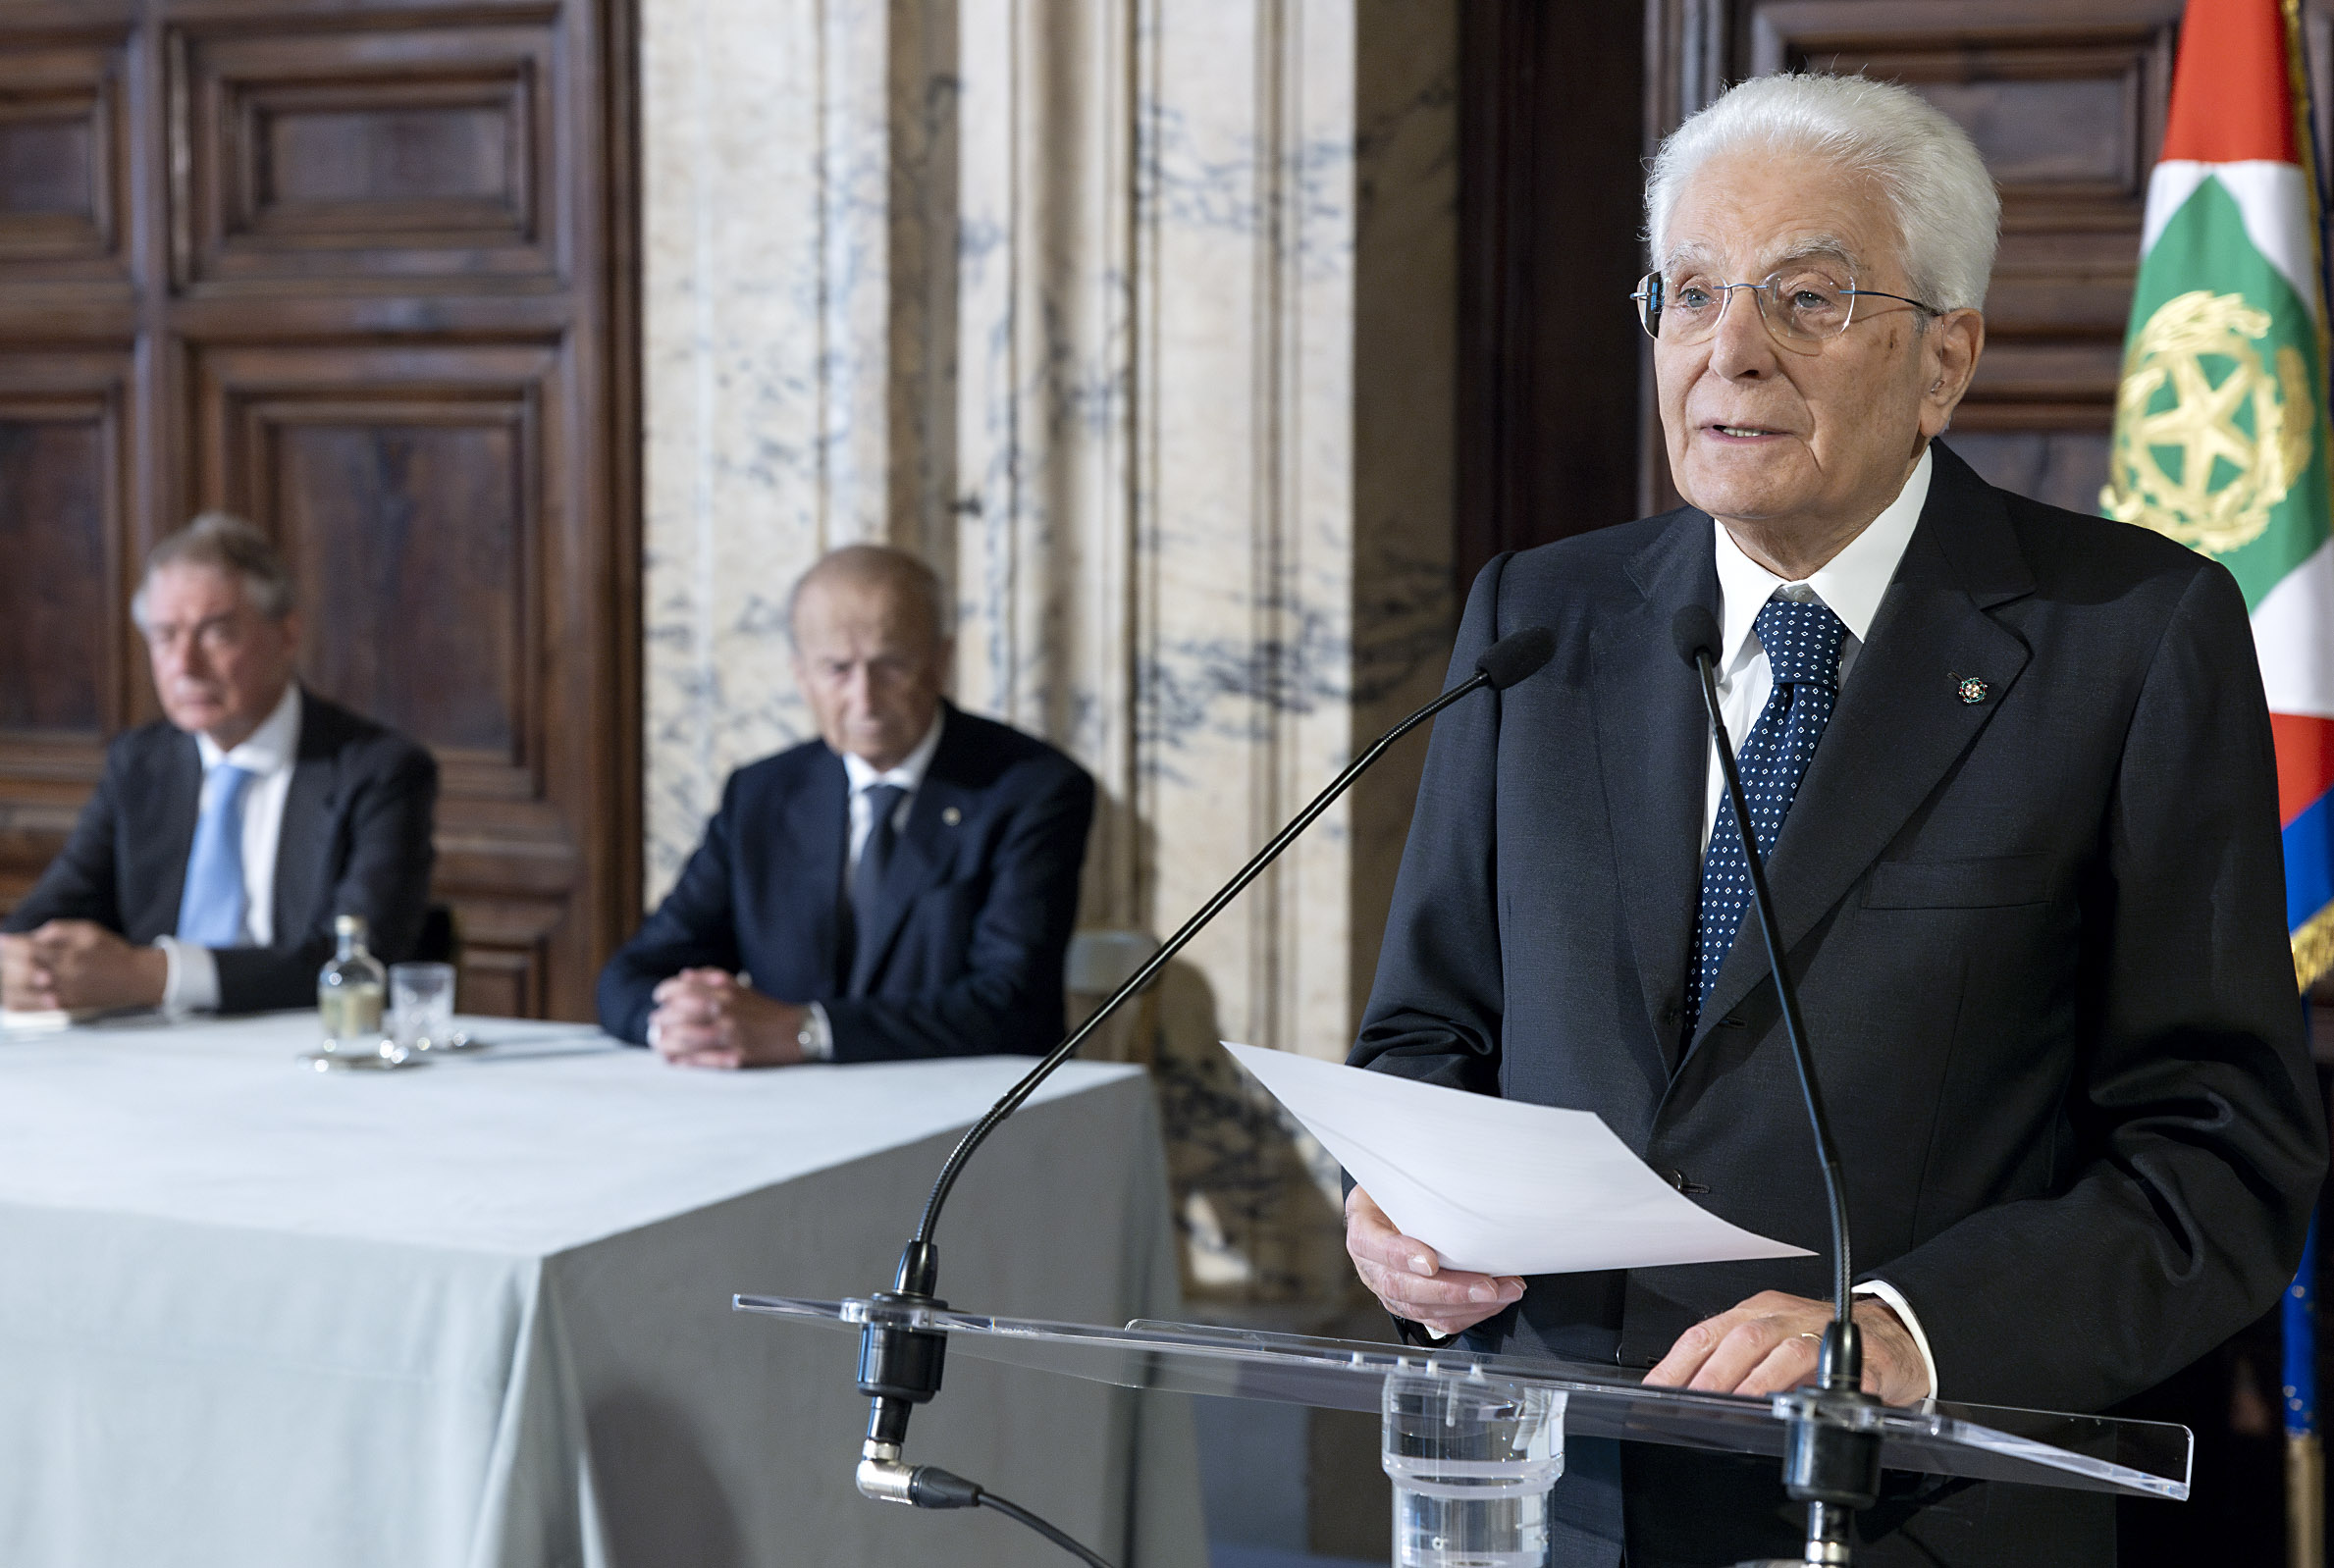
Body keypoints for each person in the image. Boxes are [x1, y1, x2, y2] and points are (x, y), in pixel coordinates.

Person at [1342, 74, 2326, 1566]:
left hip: (1907, 1503)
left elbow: (2218, 1147)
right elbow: (1428, 1031)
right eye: (1689, 293)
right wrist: (1398, 1211)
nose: (1728, 349)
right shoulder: (1539, 617)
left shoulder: (2126, 638)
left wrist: (1901, 1329)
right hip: (1549, 1492)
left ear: (1945, 359)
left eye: (1806, 298)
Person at [597, 545, 1094, 1067]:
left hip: (968, 1102)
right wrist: (678, 1025)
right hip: (787, 1103)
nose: (865, 700)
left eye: (891, 666)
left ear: (941, 661)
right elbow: (633, 974)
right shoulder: (761, 795)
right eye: (837, 670)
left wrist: (807, 1032)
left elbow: (1012, 1003)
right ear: (801, 675)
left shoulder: (1031, 789)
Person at [1, 514, 438, 1016]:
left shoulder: (380, 770)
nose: (184, 665)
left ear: (287, 634)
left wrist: (153, 975)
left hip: (299, 1041)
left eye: (216, 634)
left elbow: (358, 959)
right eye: (165, 636)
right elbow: (49, 912)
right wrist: (19, 963)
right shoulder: (139, 763)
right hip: (145, 1046)